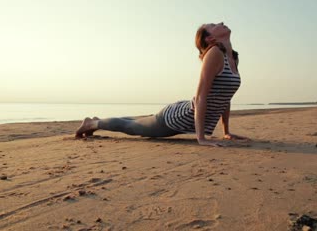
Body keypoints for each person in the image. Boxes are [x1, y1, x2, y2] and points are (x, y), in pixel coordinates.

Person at [75, 22, 247, 147]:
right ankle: (91, 124)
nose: (221, 23)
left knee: (139, 121)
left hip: (186, 113)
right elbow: (201, 96)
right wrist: (201, 138)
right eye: (214, 24)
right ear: (210, 38)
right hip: (177, 118)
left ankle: (98, 120)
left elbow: (225, 96)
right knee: (132, 127)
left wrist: (226, 132)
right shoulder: (214, 54)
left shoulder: (233, 57)